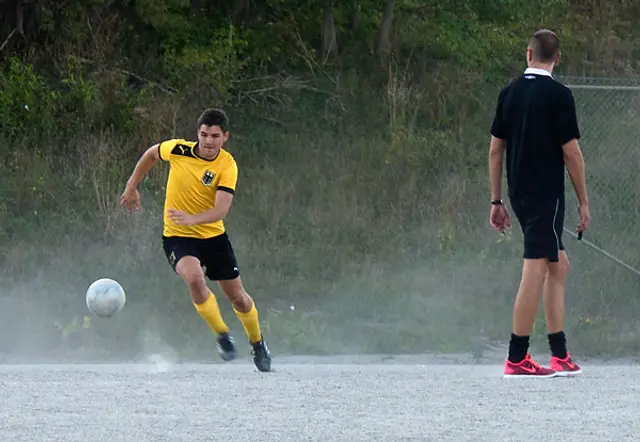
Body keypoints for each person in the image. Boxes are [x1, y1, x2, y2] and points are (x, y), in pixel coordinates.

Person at [120, 108, 272, 372]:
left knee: (239, 299)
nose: (208, 141)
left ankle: (258, 343)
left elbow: (222, 209)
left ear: (225, 137)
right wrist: (132, 186)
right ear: (197, 134)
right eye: (203, 135)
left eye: (215, 136)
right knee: (193, 278)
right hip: (178, 236)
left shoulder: (227, 165)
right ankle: (223, 336)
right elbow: (152, 154)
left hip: (213, 237)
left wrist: (194, 219)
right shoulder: (178, 150)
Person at [488, 29, 590, 378]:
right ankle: (517, 357)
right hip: (546, 196)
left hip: (519, 194)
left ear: (528, 54)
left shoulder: (509, 92)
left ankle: (559, 353)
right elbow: (571, 151)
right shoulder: (559, 95)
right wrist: (584, 202)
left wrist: (496, 200)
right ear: (556, 59)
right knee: (535, 270)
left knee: (558, 265)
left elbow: (495, 149)